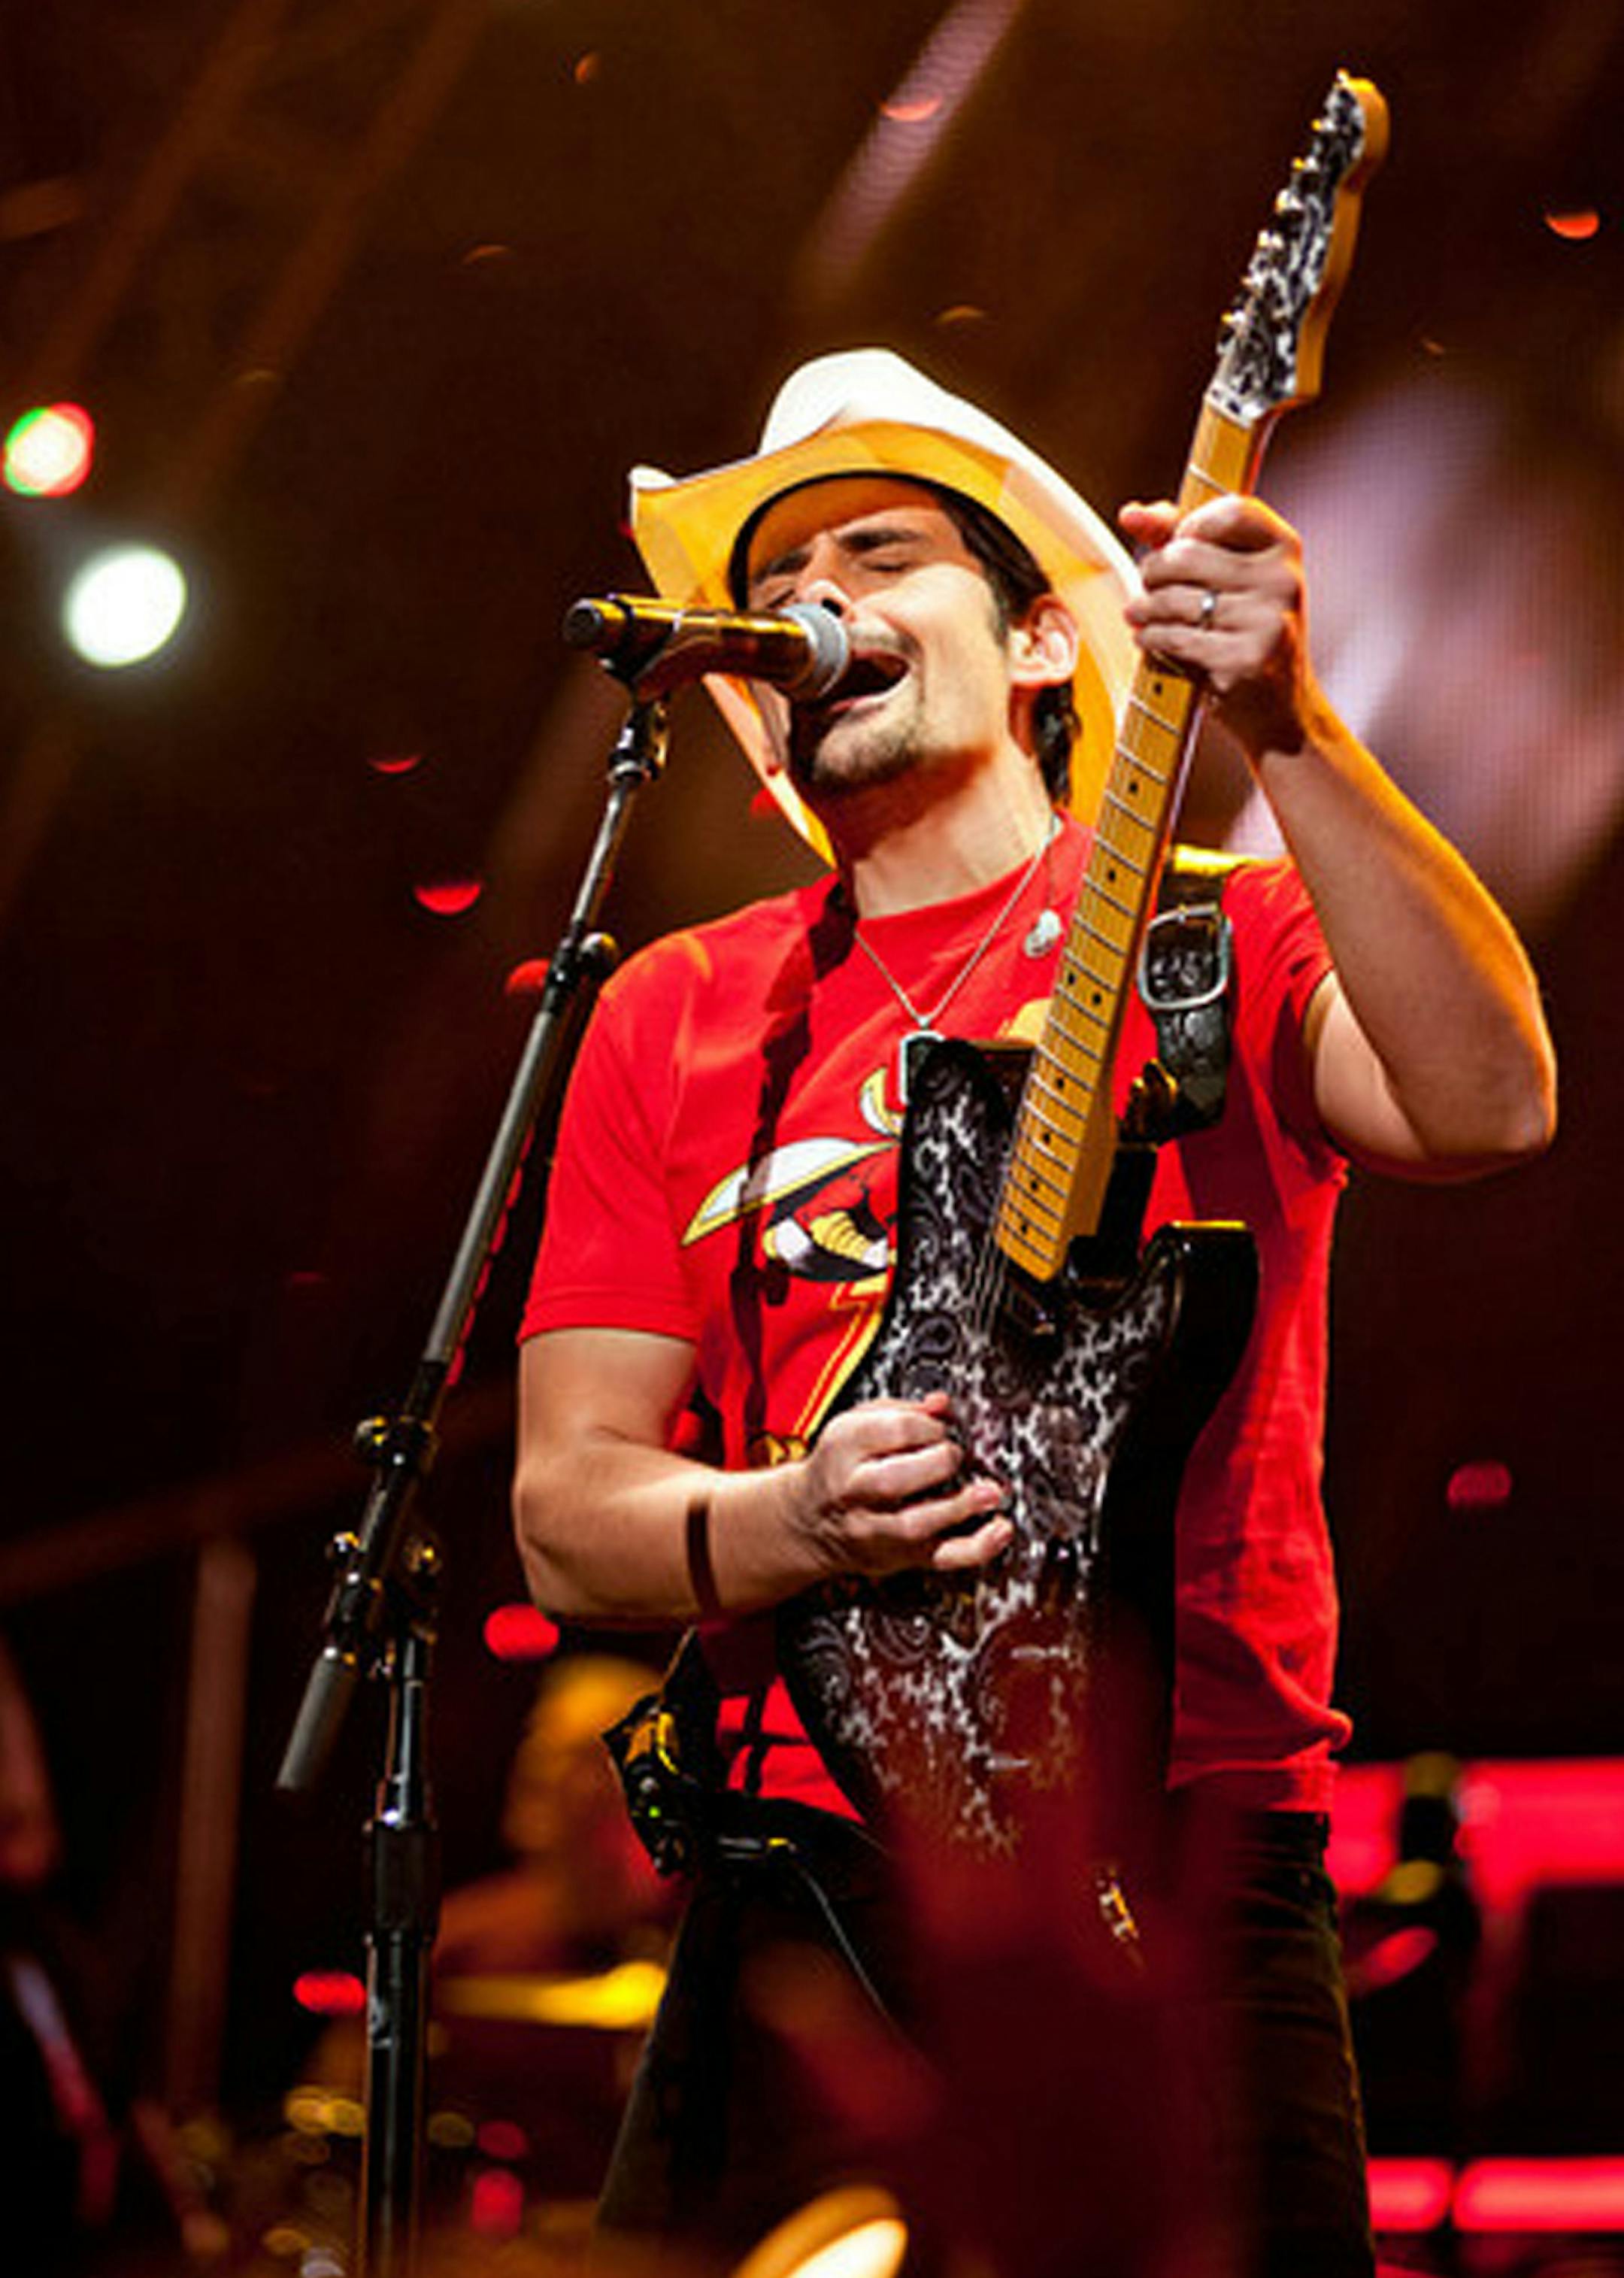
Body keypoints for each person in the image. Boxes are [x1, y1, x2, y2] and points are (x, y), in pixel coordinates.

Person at [511, 349, 1556, 2276]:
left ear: (1044, 646)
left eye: (882, 552)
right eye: (789, 574)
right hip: (790, 1856)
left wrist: (1295, 728)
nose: (821, 599)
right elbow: (565, 1507)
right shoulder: (674, 1011)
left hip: (1174, 1850)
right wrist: (781, 1522)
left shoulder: (1208, 930)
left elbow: (1489, 1105)